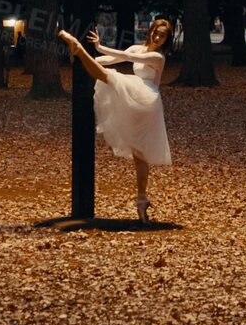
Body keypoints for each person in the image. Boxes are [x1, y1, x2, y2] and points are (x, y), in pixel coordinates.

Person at [58, 19, 173, 222]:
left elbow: (125, 56)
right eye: (156, 32)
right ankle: (141, 200)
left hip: (146, 97)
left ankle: (78, 48)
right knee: (140, 154)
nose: (157, 37)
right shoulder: (139, 47)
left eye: (162, 35)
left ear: (166, 39)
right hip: (138, 94)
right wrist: (89, 59)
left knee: (109, 78)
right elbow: (110, 60)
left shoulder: (158, 57)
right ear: (151, 31)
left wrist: (99, 47)